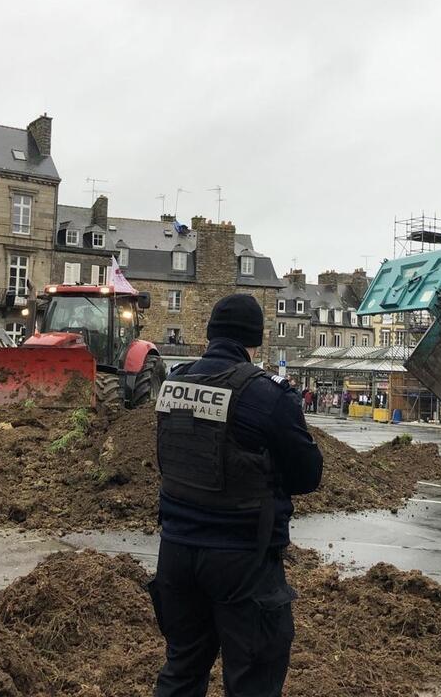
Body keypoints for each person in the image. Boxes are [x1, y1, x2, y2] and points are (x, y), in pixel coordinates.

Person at [150, 293, 323, 697]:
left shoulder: (175, 384)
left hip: (176, 552)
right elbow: (307, 474)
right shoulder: (267, 395)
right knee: (253, 681)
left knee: (182, 667)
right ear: (256, 339)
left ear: (209, 334)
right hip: (243, 560)